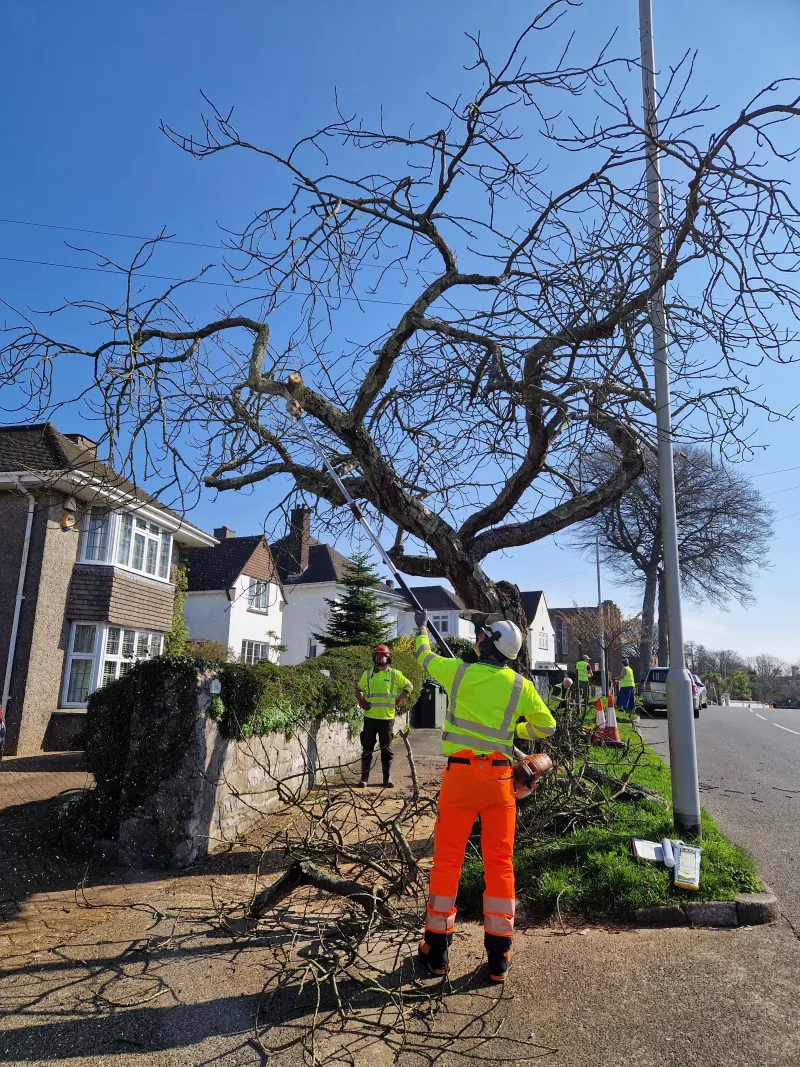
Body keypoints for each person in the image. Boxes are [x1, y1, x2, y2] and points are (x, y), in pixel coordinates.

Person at [415, 608, 556, 983]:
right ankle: (499, 956)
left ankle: (437, 951)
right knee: (500, 864)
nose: (477, 637)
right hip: (499, 782)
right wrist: (513, 726)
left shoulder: (458, 673)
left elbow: (424, 658)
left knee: (447, 863)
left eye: (483, 634)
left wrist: (421, 630)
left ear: (490, 642)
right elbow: (548, 725)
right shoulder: (519, 685)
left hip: (460, 780)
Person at [355, 644, 413, 789]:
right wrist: (361, 700)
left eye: (383, 655)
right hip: (370, 717)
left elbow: (409, 686)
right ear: (374, 657)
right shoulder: (368, 674)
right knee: (367, 748)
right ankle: (364, 779)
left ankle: (387, 779)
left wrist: (400, 698)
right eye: (378, 655)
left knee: (386, 749)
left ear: (388, 658)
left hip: (387, 719)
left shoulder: (395, 674)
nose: (381, 657)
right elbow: (359, 689)